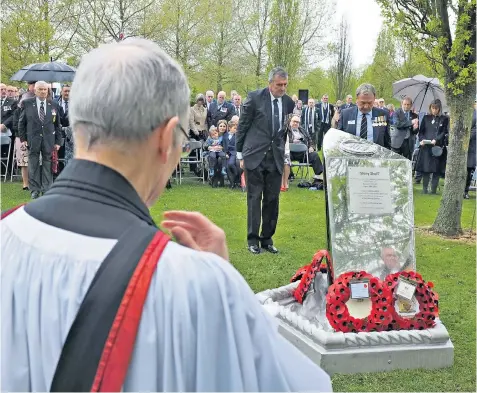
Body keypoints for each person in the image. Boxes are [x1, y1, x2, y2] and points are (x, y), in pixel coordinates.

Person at [1, 39, 332, 392]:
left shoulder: (7, 233)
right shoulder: (192, 285)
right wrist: (224, 287)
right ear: (164, 138)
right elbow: (307, 385)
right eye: (183, 139)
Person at [236, 67, 295, 254]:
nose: (283, 88)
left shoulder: (288, 103)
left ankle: (267, 239)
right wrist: (239, 153)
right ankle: (252, 240)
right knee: (254, 198)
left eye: (285, 85)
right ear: (270, 83)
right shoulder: (254, 98)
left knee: (272, 199)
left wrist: (283, 153)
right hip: (254, 155)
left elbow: (285, 130)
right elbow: (242, 126)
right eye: (279, 85)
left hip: (275, 157)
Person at [18, 81, 62, 199]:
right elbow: (21, 123)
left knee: (48, 164)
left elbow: (57, 125)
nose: (43, 91)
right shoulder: (26, 103)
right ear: (35, 90)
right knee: (33, 165)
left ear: (47, 91)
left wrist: (58, 141)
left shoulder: (53, 104)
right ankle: (35, 190)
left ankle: (47, 189)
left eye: (45, 89)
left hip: (49, 139)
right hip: (33, 139)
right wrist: (23, 139)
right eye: (40, 89)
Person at [338, 83, 391, 149]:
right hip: (351, 156)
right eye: (362, 103)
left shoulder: (381, 115)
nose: (366, 106)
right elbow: (339, 139)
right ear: (356, 99)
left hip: (375, 157)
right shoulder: (346, 114)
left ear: (374, 98)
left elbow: (386, 140)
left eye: (369, 103)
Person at [415, 99, 448, 194]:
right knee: (426, 169)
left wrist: (436, 140)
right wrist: (422, 140)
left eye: (436, 108)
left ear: (439, 108)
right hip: (426, 147)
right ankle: (425, 189)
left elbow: (444, 132)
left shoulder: (444, 118)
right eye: (432, 108)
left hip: (438, 148)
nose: (434, 110)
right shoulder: (426, 118)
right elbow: (421, 132)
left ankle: (433, 190)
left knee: (436, 170)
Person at [465, 103, 476, 199]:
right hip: (462, 146)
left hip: (472, 146)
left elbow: (475, 130)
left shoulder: (475, 115)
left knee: (469, 170)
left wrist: (465, 137)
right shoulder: (464, 112)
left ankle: (465, 190)